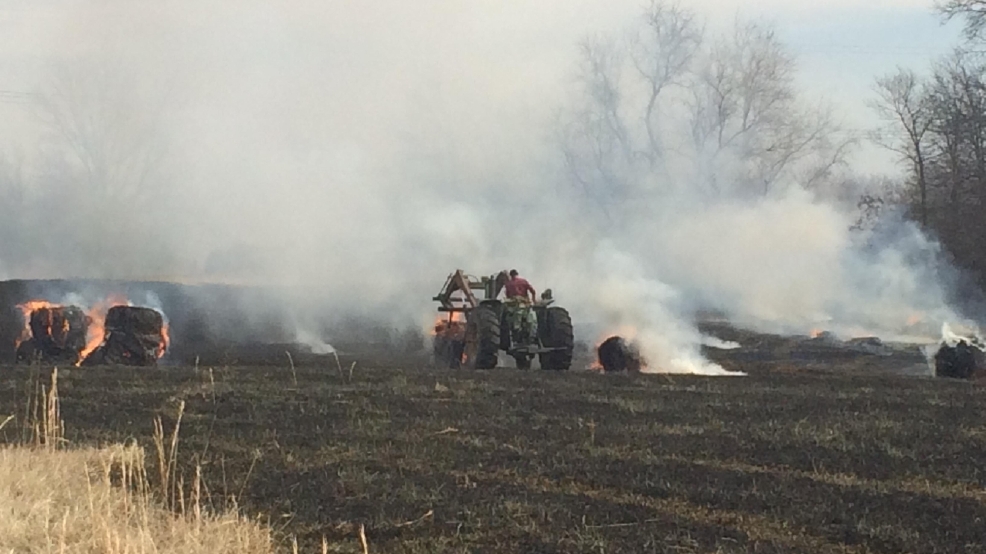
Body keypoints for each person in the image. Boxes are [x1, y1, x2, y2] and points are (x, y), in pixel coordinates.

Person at [502, 269, 538, 344]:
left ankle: (516, 335)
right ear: (517, 274)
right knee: (532, 320)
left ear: (511, 275)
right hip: (526, 305)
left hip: (515, 306)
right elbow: (533, 291)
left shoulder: (508, 284)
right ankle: (531, 337)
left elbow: (508, 296)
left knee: (509, 319)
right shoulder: (524, 281)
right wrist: (534, 301)